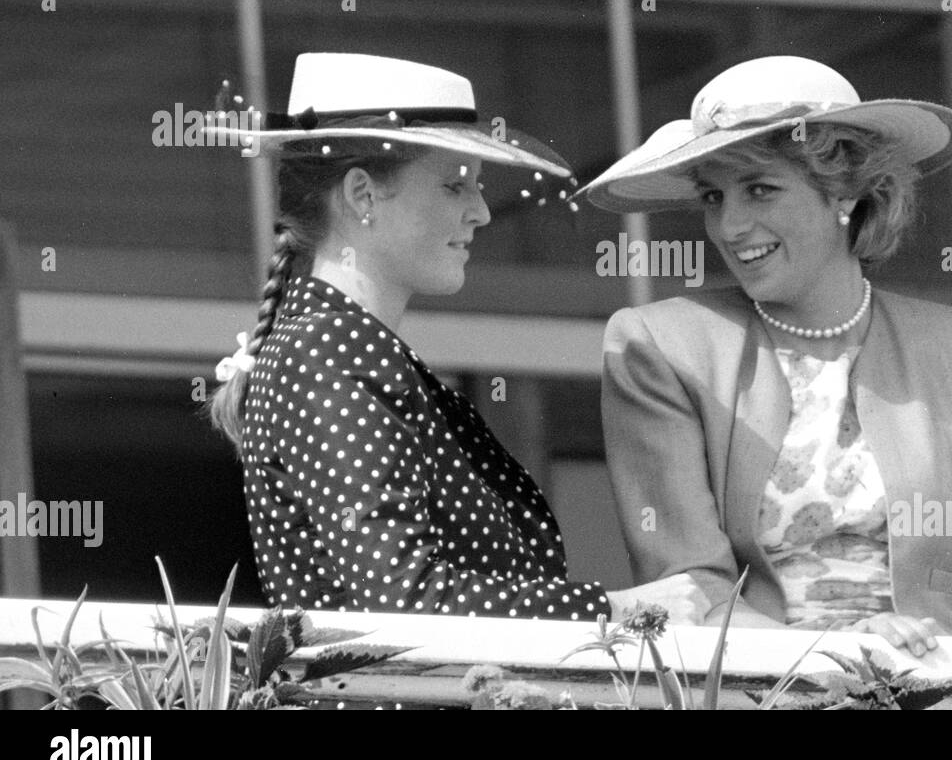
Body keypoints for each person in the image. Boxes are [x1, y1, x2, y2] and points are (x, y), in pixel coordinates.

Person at [581, 55, 952, 659]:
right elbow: (693, 593)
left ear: (847, 193)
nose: (729, 225)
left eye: (760, 189)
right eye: (712, 196)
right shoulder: (662, 344)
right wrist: (820, 651)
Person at [204, 52, 705, 624]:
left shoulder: (337, 347)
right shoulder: (327, 353)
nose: (482, 212)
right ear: (363, 195)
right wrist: (614, 608)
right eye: (454, 186)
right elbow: (398, 598)